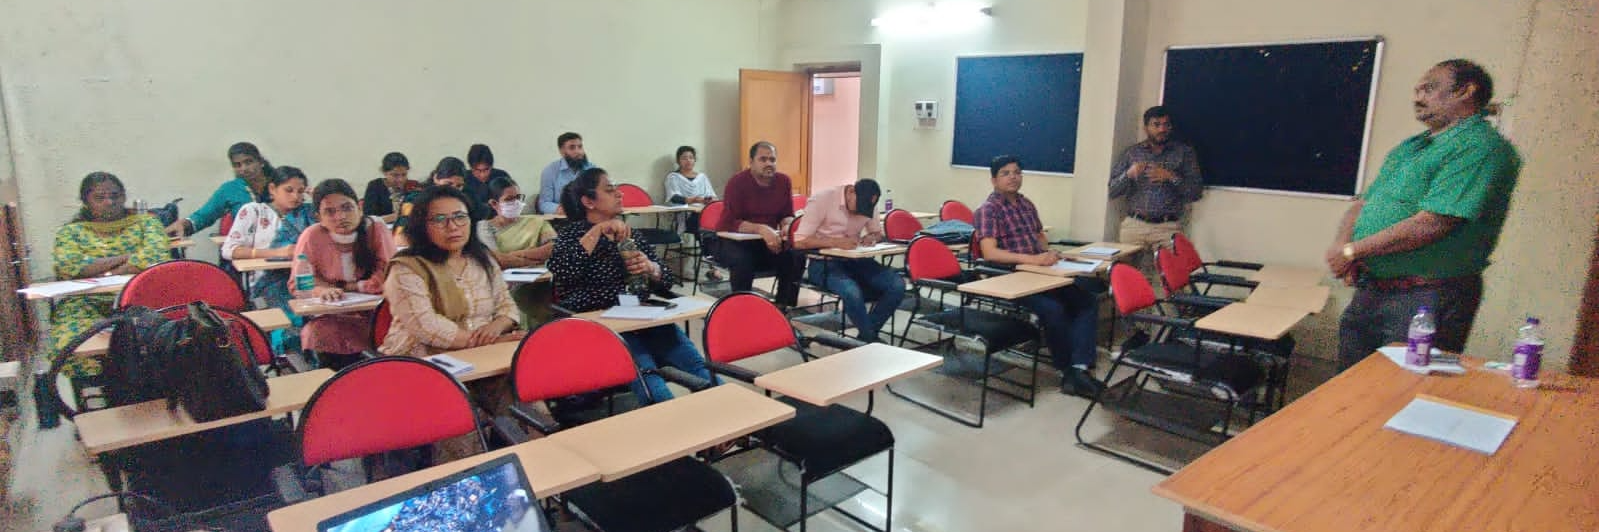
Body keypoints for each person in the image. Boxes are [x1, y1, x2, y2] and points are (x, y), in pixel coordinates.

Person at [1328, 59, 1521, 371]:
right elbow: (1363, 204)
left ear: (1466, 91)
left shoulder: (1480, 148)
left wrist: (1352, 250)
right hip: (1373, 288)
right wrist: (1343, 248)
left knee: (1402, 393)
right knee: (1349, 385)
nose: (1418, 97)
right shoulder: (1412, 147)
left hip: (1427, 296)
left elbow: (1433, 224)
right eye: (1416, 90)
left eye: (1429, 88)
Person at [547, 167, 715, 404]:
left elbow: (665, 279)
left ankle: (732, 424)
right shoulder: (571, 235)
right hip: (605, 327)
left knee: (700, 368)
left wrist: (650, 267)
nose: (620, 194)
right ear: (588, 201)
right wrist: (596, 231)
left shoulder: (628, 233)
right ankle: (679, 433)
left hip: (644, 318)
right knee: (649, 377)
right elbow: (564, 271)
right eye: (610, 190)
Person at [974, 155, 1104, 398]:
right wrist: (1034, 260)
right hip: (1012, 275)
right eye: (1005, 173)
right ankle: (1067, 370)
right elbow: (989, 252)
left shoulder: (1026, 205)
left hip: (1041, 270)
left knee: (1086, 300)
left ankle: (1079, 367)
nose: (1013, 177)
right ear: (993, 180)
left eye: (1017, 172)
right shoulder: (988, 210)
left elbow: (1039, 236)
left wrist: (1049, 253)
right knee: (1053, 309)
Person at [50, 173, 169, 378]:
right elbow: (70, 266)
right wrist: (127, 258)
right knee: (71, 344)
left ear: (124, 197)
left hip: (140, 299)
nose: (109, 202)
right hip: (86, 302)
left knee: (168, 335)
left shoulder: (146, 223)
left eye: (115, 196)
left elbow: (154, 256)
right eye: (100, 198)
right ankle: (106, 384)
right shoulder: (70, 232)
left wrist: (102, 270)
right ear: (86, 201)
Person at [381, 185, 520, 359]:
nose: (453, 226)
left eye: (460, 217)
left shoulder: (482, 259)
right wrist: (493, 342)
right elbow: (427, 328)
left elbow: (506, 305)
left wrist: (498, 326)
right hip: (422, 359)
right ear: (422, 226)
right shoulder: (406, 268)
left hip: (484, 353)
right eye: (439, 219)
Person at [291, 179, 398, 371]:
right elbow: (300, 283)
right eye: (330, 212)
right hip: (333, 317)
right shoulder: (311, 237)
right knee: (319, 333)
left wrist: (346, 287)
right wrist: (320, 290)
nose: (340, 216)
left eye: (347, 208)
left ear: (359, 207)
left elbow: (389, 275)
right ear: (318, 217)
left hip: (376, 316)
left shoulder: (376, 229)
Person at [792, 179, 905, 343]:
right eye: (858, 208)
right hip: (824, 262)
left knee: (897, 285)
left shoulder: (868, 204)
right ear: (851, 192)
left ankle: (866, 335)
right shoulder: (823, 200)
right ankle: (870, 339)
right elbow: (799, 241)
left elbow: (877, 233)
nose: (860, 213)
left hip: (857, 260)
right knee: (851, 291)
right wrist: (835, 242)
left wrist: (872, 237)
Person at [1108, 106, 1204, 271]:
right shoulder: (1132, 153)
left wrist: (1171, 177)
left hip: (1167, 227)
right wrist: (1128, 175)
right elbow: (1112, 191)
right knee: (1128, 278)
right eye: (1156, 125)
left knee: (1174, 280)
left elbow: (1195, 192)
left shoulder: (1183, 153)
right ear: (1146, 128)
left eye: (1166, 125)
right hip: (1135, 225)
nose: (1162, 129)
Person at [716, 141, 803, 307]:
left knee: (795, 256)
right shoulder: (737, 183)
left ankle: (783, 306)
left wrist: (787, 226)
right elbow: (729, 222)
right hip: (734, 241)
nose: (769, 163)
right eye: (763, 159)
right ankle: (742, 307)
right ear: (751, 162)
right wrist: (761, 229)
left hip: (767, 241)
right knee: (743, 261)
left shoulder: (783, 181)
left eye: (772, 159)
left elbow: (786, 214)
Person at [221, 166, 314, 310]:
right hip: (266, 284)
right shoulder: (254, 211)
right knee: (288, 324)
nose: (296, 196)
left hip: (304, 282)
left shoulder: (307, 213)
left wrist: (320, 199)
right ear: (272, 189)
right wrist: (277, 253)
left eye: (301, 191)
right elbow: (229, 250)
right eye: (288, 190)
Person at [476, 176, 557, 327]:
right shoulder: (484, 227)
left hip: (541, 283)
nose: (516, 202)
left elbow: (553, 248)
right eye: (509, 199)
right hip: (506, 285)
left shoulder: (536, 221)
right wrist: (535, 259)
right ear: (494, 204)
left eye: (518, 197)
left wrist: (516, 256)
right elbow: (497, 260)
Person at [165, 142, 275, 237]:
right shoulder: (230, 189)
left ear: (260, 162)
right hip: (245, 251)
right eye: (237, 165)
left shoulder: (281, 182)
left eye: (249, 162)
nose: (244, 169)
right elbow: (205, 215)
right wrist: (184, 224)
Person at [536, 132, 592, 214]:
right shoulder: (550, 171)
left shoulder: (592, 169)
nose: (578, 152)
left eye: (580, 147)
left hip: (589, 215)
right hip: (563, 217)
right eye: (572, 148)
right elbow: (544, 203)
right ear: (562, 151)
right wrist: (564, 209)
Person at [362, 152, 420, 219]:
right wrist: (396, 216)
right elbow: (369, 219)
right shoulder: (375, 186)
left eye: (404, 175)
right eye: (395, 175)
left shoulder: (413, 186)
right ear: (384, 172)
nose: (400, 180)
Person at [464, 143, 513, 211]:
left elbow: (512, 202)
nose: (482, 175)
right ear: (470, 167)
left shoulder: (502, 177)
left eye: (486, 169)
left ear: (491, 166)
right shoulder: (463, 179)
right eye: (477, 170)